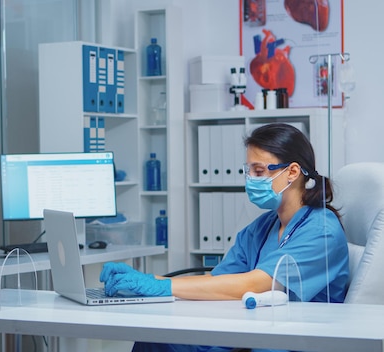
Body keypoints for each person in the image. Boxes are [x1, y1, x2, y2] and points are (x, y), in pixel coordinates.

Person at [100, 123, 350, 352]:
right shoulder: (263, 227)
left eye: (259, 171)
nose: (251, 179)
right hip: (253, 334)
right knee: (154, 338)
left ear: (293, 171)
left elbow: (253, 284)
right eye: (249, 170)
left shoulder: (320, 230)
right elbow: (219, 281)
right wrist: (145, 281)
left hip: (290, 342)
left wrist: (160, 286)